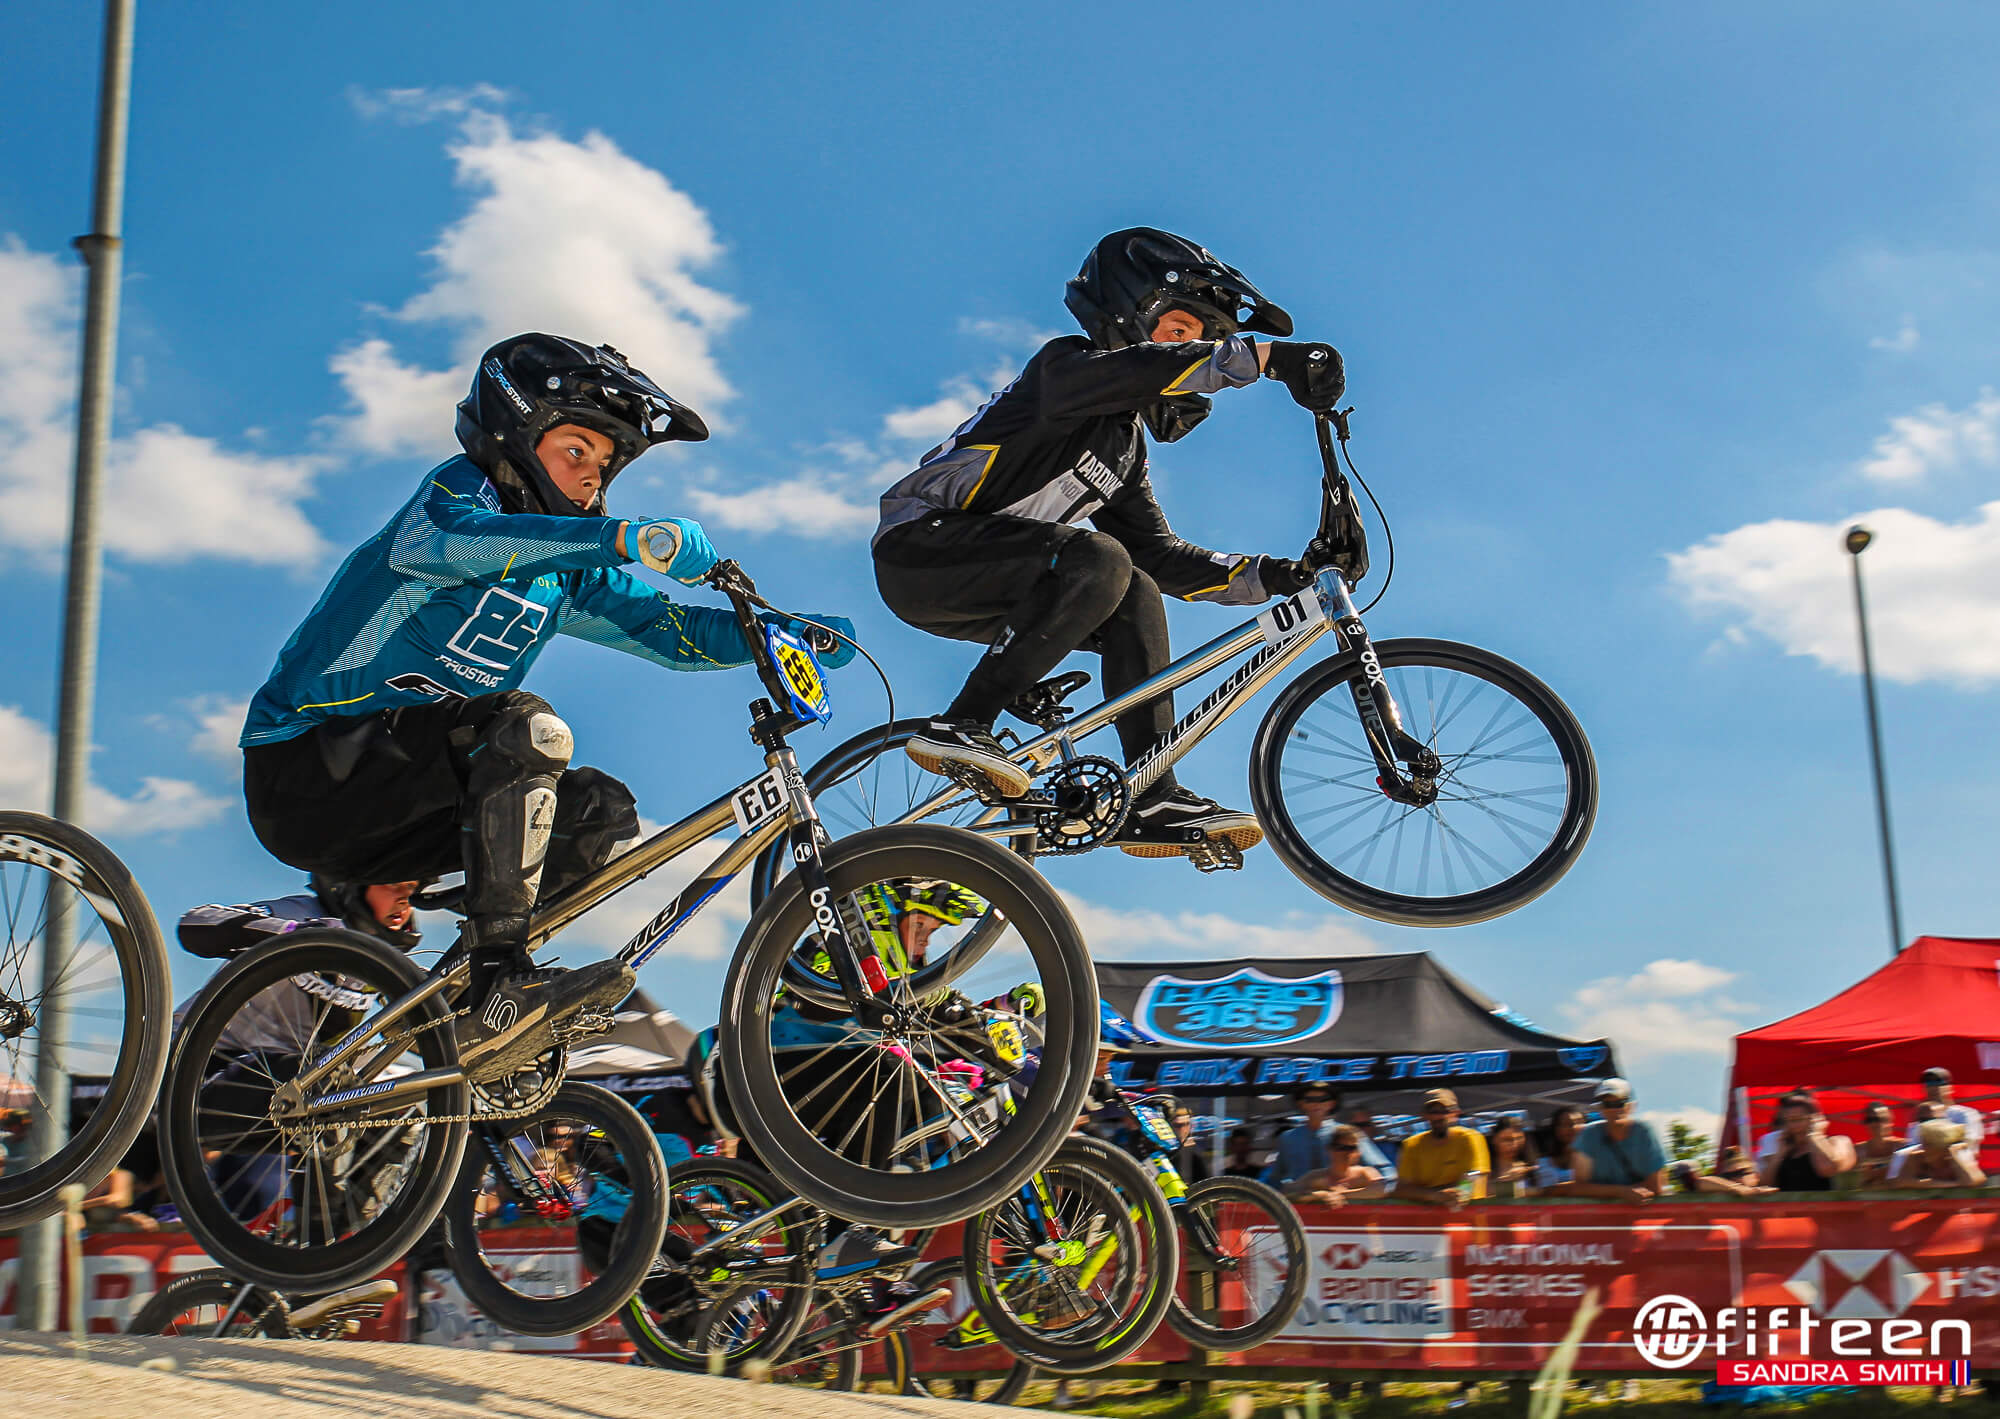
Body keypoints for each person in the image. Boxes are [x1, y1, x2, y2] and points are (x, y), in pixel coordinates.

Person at [236, 334, 855, 1083]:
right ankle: (505, 978)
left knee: (599, 810)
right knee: (525, 724)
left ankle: (469, 999)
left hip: (401, 801)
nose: (592, 479)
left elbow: (675, 633)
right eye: (576, 451)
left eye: (605, 466)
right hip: (305, 771)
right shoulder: (453, 500)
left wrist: (779, 632)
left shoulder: (568, 574)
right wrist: (622, 536)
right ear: (520, 438)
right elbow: (456, 544)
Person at [873, 228, 1351, 855]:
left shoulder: (1122, 449)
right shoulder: (1065, 371)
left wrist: (1289, 574)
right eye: (1182, 332)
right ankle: (963, 724)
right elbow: (1132, 374)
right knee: (1098, 557)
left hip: (1001, 587)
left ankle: (1149, 794)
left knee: (1136, 586)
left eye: (1203, 341)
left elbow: (1161, 556)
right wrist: (1263, 359)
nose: (1199, 349)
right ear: (1127, 318)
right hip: (920, 552)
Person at [1262, 1083, 1377, 1191]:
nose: (1316, 1104)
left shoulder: (1349, 1133)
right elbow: (1274, 1178)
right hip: (1299, 1203)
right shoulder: (1287, 1138)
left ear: (1331, 1103)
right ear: (1301, 1104)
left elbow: (1382, 1171)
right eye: (1310, 1100)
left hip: (1341, 1203)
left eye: (1323, 1100)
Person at [1570, 1079, 1667, 1202]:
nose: (1613, 1109)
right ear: (1600, 1108)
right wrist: (1622, 1192)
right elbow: (1579, 1187)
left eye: (1619, 1103)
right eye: (1607, 1104)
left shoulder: (1644, 1132)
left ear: (1631, 1106)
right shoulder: (1588, 1134)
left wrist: (1604, 1191)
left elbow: (1655, 1187)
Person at [1392, 1089, 1490, 1207]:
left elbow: (1475, 1177)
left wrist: (1461, 1193)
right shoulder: (1411, 1144)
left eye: (1445, 1111)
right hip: (1426, 1217)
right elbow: (1402, 1188)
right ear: (1425, 1115)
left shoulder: (1471, 1138)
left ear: (1456, 1113)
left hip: (1466, 1213)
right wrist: (1436, 1195)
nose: (1439, 1116)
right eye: (1433, 1111)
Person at [1756, 1092, 1854, 1192]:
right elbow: (1766, 1186)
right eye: (1787, 1121)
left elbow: (1827, 1169)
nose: (1792, 1126)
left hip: (1829, 1204)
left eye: (1797, 1119)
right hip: (1791, 1205)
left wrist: (1814, 1135)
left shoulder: (1838, 1141)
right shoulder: (1786, 1150)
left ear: (1816, 1119)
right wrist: (1779, 1155)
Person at [1288, 1125, 1387, 1207]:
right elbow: (1287, 1195)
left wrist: (1339, 1194)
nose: (1347, 1153)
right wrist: (1321, 1195)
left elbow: (1381, 1189)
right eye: (1341, 1147)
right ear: (1329, 1150)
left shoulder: (1365, 1173)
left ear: (1358, 1152)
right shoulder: (1314, 1176)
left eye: (1352, 1148)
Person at [1890, 1119, 1987, 1188]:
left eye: (1929, 1144)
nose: (1923, 1148)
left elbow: (1973, 1181)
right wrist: (1951, 1185)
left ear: (1944, 1147)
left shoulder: (1960, 1157)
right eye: (1924, 1143)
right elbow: (1900, 1182)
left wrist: (1953, 1155)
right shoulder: (1915, 1157)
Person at [1912, 1067, 1985, 1151]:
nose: (1933, 1087)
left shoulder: (1966, 1114)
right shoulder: (1919, 1120)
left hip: (1958, 1161)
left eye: (1938, 1082)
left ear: (1950, 1087)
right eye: (1929, 1083)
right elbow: (1913, 1147)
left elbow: (1969, 1143)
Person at [1532, 1107, 1594, 1195]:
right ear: (1556, 1130)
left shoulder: (1596, 1156)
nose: (1573, 1128)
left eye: (1579, 1123)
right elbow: (1545, 1191)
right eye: (1566, 1124)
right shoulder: (1544, 1163)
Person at [1670, 1145, 1773, 1197]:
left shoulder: (1769, 1191)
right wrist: (1740, 1189)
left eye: (1740, 1173)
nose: (1733, 1178)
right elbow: (1700, 1183)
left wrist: (1751, 1190)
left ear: (1756, 1175)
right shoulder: (1722, 1191)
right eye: (1727, 1176)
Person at [1485, 1116, 1538, 1198]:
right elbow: (1473, 1192)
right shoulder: (1484, 1167)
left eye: (1519, 1138)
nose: (1514, 1145)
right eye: (1507, 1140)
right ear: (1494, 1140)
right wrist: (1506, 1181)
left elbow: (1542, 1192)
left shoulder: (1531, 1167)